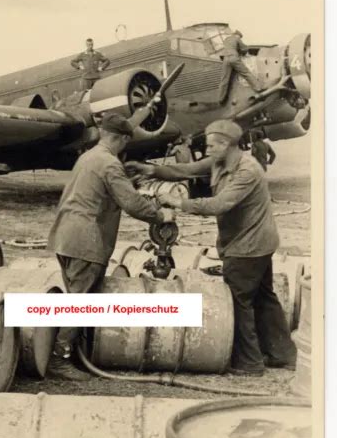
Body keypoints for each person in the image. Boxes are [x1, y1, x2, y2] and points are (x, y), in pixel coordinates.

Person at [126, 119, 296, 377]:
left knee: (238, 301)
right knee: (264, 297)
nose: (207, 150)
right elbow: (186, 169)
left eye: (212, 145)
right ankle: (282, 354)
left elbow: (219, 205)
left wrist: (177, 202)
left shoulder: (247, 171)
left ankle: (249, 363)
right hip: (250, 242)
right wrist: (150, 170)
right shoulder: (219, 162)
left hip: (248, 246)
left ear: (227, 145)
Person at [47, 112, 175, 380]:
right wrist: (162, 215)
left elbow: (103, 191)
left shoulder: (89, 157)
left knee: (78, 299)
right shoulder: (109, 163)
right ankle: (59, 361)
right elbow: (131, 203)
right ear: (122, 139)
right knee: (78, 304)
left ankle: (75, 355)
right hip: (86, 240)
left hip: (67, 236)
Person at [219, 30, 262, 105]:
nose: (240, 38)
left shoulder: (226, 39)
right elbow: (244, 49)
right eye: (240, 37)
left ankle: (221, 99)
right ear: (237, 35)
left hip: (225, 59)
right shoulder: (237, 38)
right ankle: (258, 88)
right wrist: (243, 53)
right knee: (246, 73)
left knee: (224, 79)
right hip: (234, 58)